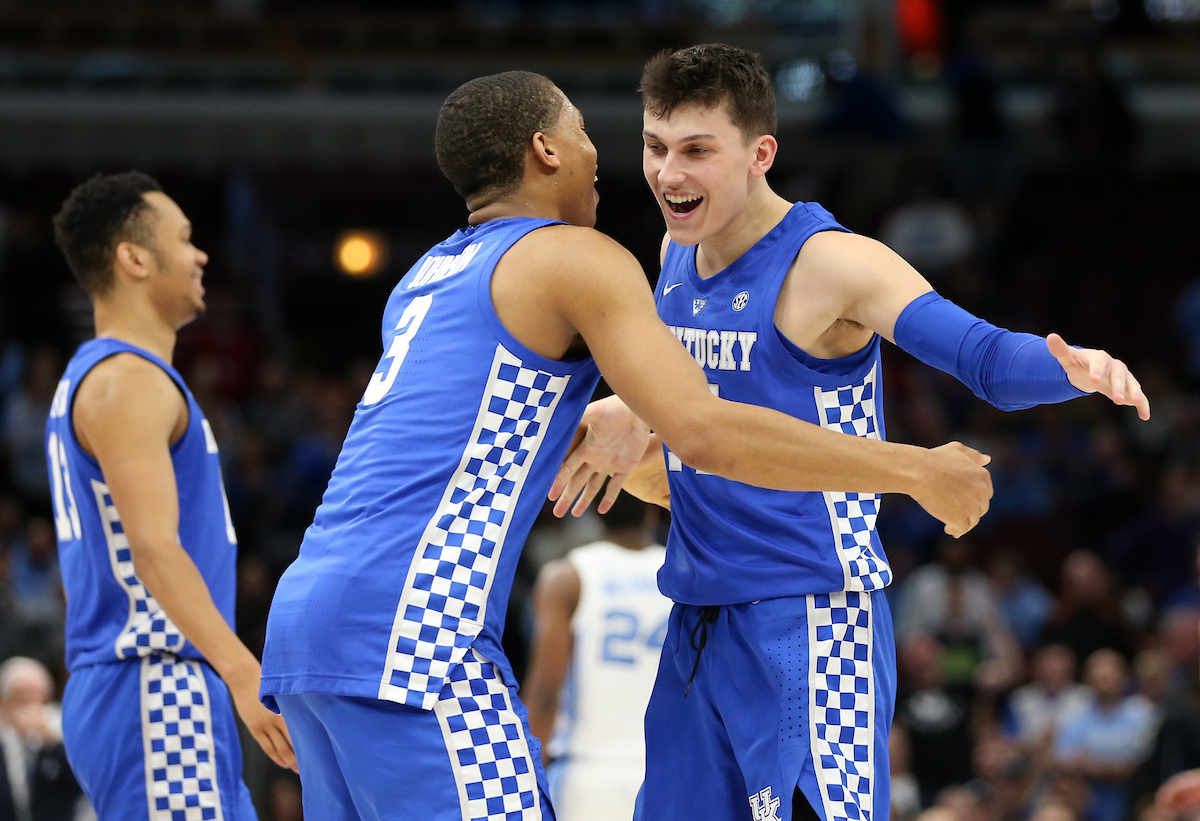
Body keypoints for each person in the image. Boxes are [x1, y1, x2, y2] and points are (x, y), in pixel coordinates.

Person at [256, 70, 997, 821]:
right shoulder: (576, 255)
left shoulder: (425, 277)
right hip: (416, 636)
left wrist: (616, 424)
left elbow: (476, 437)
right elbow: (705, 431)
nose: (599, 153)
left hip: (304, 627)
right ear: (545, 149)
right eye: (581, 129)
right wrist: (915, 467)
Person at [553, 44, 1150, 821]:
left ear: (760, 152)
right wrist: (625, 419)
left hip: (808, 617)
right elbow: (704, 414)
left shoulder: (831, 264)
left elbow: (982, 358)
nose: (670, 174)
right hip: (697, 620)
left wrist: (1070, 365)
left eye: (698, 151)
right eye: (655, 147)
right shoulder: (675, 253)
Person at [46, 171, 295, 820]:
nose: (201, 254)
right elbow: (154, 550)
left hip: (148, 680)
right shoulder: (126, 379)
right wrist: (244, 671)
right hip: (153, 676)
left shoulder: (107, 375)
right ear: (133, 257)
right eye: (184, 239)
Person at [523, 493, 672, 821]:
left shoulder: (567, 577)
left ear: (593, 510)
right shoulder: (682, 577)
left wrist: (526, 777)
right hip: (667, 773)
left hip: (589, 776)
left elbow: (546, 692)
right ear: (652, 509)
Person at [1054, 649, 1157, 821]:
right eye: (1099, 677)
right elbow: (1065, 763)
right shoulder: (1074, 716)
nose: (1104, 683)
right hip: (1085, 804)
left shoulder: (1142, 713)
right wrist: (1114, 766)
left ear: (1124, 677)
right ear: (1088, 680)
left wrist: (1092, 766)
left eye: (1109, 677)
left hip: (1134, 800)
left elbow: (1140, 766)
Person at [0, 656, 82, 821]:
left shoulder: (62, 735)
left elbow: (82, 785)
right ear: (4, 701)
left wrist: (51, 742)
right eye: (20, 697)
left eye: (35, 697)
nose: (28, 706)